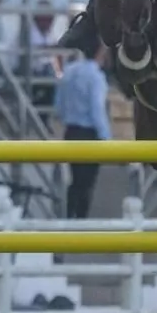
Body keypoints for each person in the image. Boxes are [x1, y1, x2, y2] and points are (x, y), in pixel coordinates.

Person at [53, 39, 111, 219]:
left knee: (75, 180)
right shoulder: (96, 77)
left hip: (71, 131)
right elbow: (97, 110)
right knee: (87, 183)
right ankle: (81, 221)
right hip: (89, 133)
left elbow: (59, 105)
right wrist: (107, 139)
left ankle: (69, 218)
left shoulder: (69, 71)